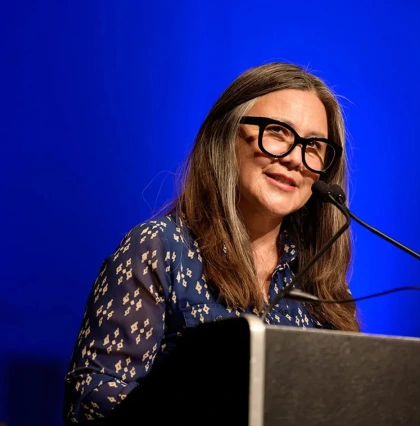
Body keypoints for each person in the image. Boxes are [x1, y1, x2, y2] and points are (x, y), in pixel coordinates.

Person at [63, 62, 360, 424]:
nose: (296, 158)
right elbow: (92, 408)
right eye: (278, 132)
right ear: (226, 136)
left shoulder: (319, 283)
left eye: (314, 146)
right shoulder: (160, 249)